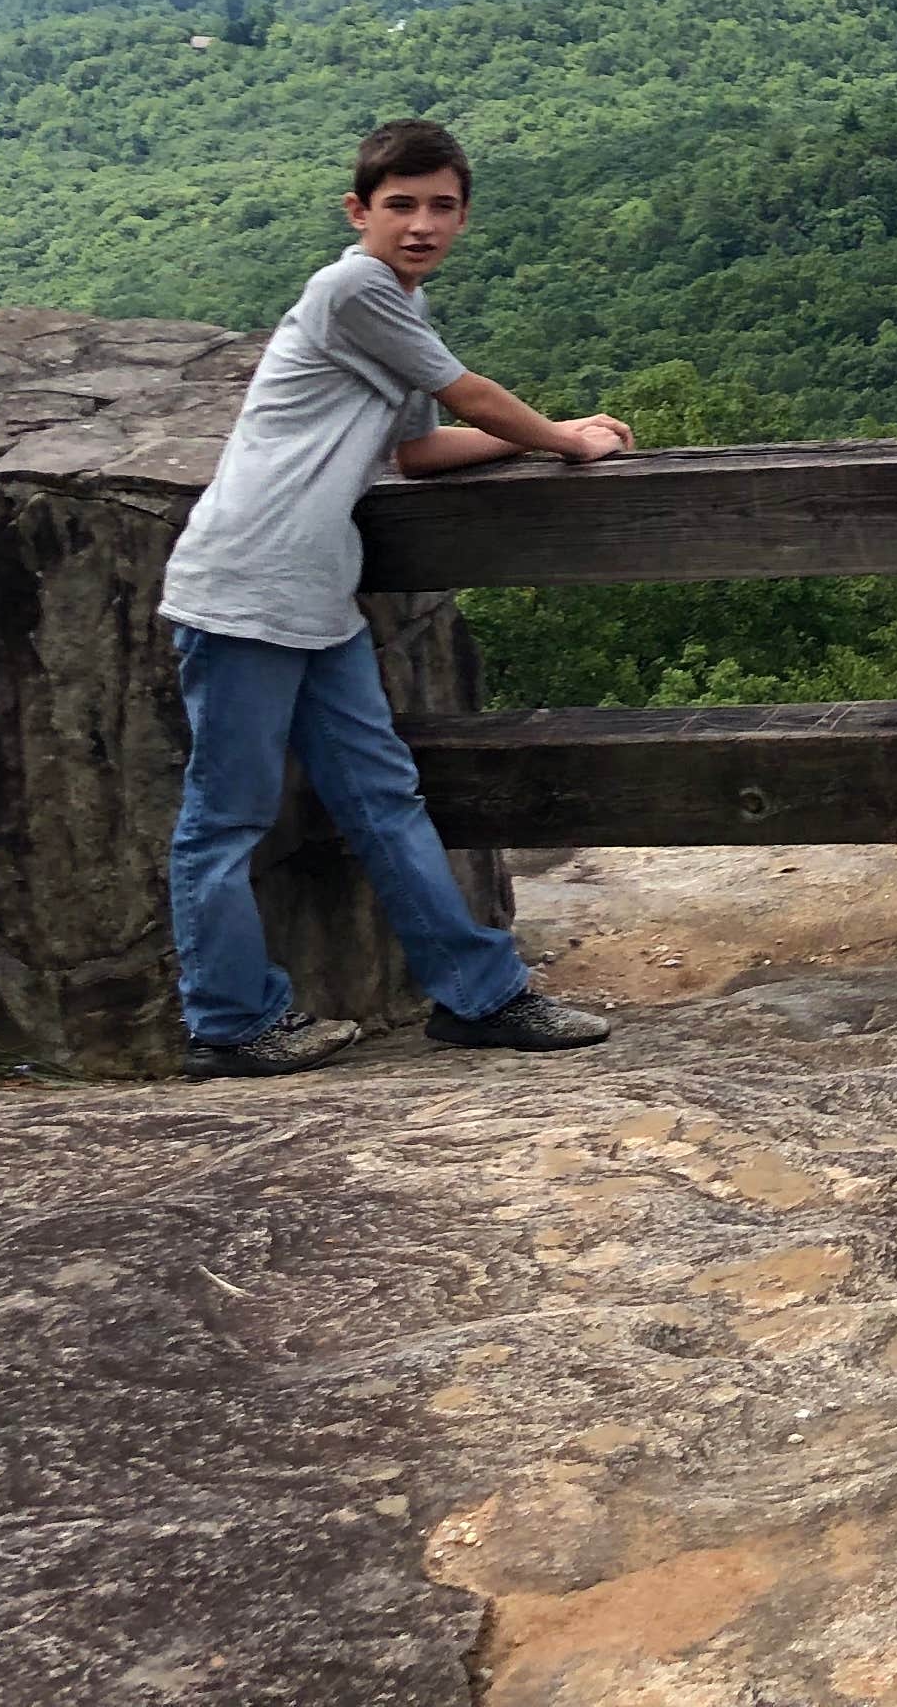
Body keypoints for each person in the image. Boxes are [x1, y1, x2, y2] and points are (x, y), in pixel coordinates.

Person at [156, 117, 635, 1080]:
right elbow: (468, 396)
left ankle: (479, 998)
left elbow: (418, 451)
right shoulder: (353, 290)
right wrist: (561, 439)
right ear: (358, 211)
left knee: (384, 797)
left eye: (442, 207)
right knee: (228, 817)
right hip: (247, 589)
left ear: (463, 215)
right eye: (401, 205)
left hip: (317, 598)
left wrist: (543, 434)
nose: (422, 224)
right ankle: (230, 1021)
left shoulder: (396, 313)